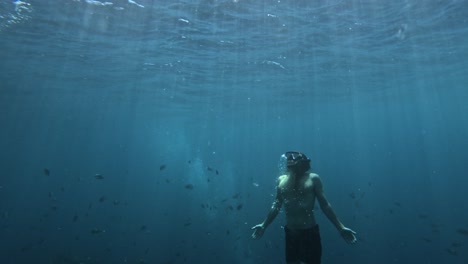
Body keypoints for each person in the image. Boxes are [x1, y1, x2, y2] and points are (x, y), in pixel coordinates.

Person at [251, 151, 357, 264]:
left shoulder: (313, 179)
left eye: (294, 159)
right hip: (291, 233)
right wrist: (264, 225)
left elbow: (325, 205)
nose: (290, 161)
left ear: (303, 163)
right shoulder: (281, 180)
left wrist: (340, 227)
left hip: (310, 233)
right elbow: (276, 204)